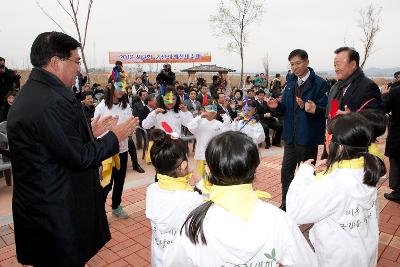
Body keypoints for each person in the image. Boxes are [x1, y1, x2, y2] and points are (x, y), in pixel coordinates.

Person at [7, 31, 138, 267]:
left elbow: (54, 144)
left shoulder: (36, 93)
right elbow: (78, 157)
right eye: (76, 61)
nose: (78, 69)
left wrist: (90, 134)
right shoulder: (51, 101)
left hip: (42, 207)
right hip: (54, 211)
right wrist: (114, 137)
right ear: (56, 62)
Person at [163, 131, 317, 266]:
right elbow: (307, 262)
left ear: (208, 170)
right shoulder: (278, 220)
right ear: (255, 169)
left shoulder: (195, 224)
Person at [287, 113, 386, 267]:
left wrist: (303, 174)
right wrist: (332, 168)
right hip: (365, 253)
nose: (325, 142)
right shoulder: (368, 170)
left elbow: (295, 212)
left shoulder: (333, 183)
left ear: (338, 147)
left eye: (327, 138)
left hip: (337, 258)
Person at [267, 49, 327, 211]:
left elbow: (326, 110)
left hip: (307, 137)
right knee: (286, 172)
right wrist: (276, 106)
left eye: (298, 63)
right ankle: (287, 204)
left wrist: (313, 108)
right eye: (292, 64)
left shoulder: (320, 84)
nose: (294, 67)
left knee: (306, 174)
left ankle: (306, 207)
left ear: (307, 62)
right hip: (290, 137)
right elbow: (285, 109)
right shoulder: (291, 83)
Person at [145, 129, 203, 267]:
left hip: (159, 259)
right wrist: (201, 183)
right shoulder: (191, 199)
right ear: (183, 165)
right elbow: (215, 200)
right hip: (183, 261)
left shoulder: (151, 190)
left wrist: (189, 188)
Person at [95, 80, 137, 219]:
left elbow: (130, 122)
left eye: (125, 88)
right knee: (106, 183)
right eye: (120, 87)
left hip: (123, 150)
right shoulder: (102, 107)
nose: (122, 90)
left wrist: (131, 128)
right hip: (107, 152)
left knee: (120, 180)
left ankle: (116, 206)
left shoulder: (126, 106)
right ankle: (100, 211)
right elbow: (96, 129)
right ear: (111, 87)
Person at [327, 47, 382, 118]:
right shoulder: (336, 87)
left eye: (339, 64)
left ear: (353, 64)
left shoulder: (368, 87)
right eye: (335, 65)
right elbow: (332, 113)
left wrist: (352, 117)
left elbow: (376, 118)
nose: (336, 69)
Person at [187, 100, 231, 177]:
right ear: (204, 110)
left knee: (212, 175)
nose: (212, 113)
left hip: (214, 154)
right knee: (200, 176)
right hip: (201, 154)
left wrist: (225, 117)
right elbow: (190, 127)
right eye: (209, 110)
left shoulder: (218, 124)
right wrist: (200, 116)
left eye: (214, 111)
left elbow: (227, 132)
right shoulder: (199, 122)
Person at [382, 71, 400, 202]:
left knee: (397, 163)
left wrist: (384, 94)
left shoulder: (395, 92)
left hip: (398, 135)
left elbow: (383, 108)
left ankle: (397, 192)